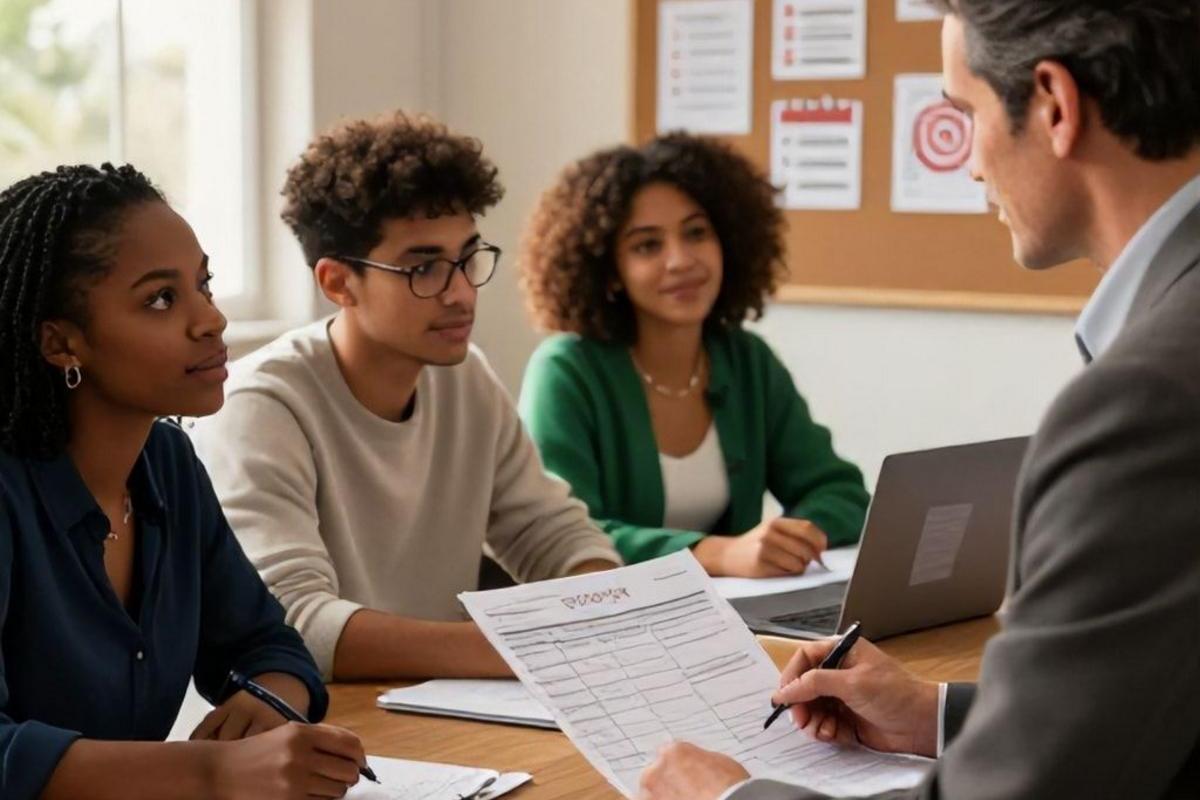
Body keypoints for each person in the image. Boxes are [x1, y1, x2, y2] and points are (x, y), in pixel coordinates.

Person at [638, 2, 1200, 798]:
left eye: (963, 113)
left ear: (1054, 105)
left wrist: (731, 797)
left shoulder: (1146, 400)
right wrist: (933, 713)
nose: (969, 164)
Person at [190, 112, 621, 683]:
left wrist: (611, 615)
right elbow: (293, 626)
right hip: (328, 730)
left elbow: (552, 534)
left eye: (468, 257)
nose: (461, 292)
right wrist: (524, 650)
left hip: (446, 708)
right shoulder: (259, 407)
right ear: (338, 283)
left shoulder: (465, 377)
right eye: (424, 268)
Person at [0, 164, 366, 800]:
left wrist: (271, 699)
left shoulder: (167, 463)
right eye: (161, 300)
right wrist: (213, 772)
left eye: (204, 284)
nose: (212, 321)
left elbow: (268, 643)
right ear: (62, 343)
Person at [518, 133, 869, 576]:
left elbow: (841, 491)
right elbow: (562, 535)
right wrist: (717, 554)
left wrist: (795, 539)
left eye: (697, 233)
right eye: (648, 245)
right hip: (611, 625)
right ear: (609, 272)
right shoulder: (567, 371)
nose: (680, 260)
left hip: (738, 620)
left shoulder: (747, 360)